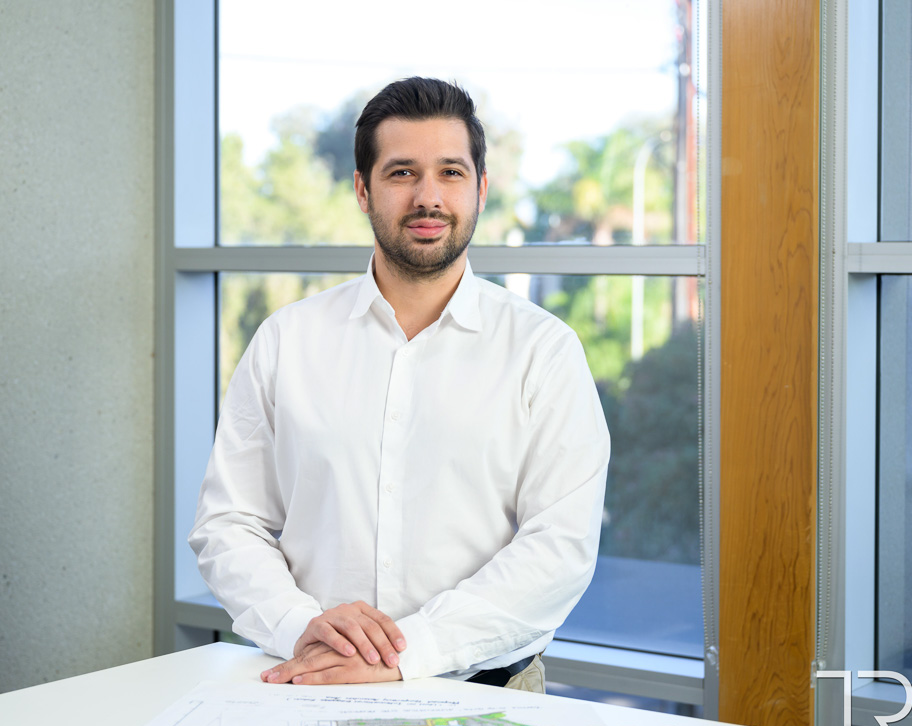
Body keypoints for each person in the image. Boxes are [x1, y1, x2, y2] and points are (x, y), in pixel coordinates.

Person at [188, 77, 610, 691]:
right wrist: (300, 626)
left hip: (488, 695)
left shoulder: (544, 351)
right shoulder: (286, 340)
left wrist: (406, 655)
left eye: (450, 173)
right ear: (363, 190)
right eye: (402, 172)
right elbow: (229, 523)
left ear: (481, 188)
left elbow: (559, 548)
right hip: (312, 678)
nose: (428, 197)